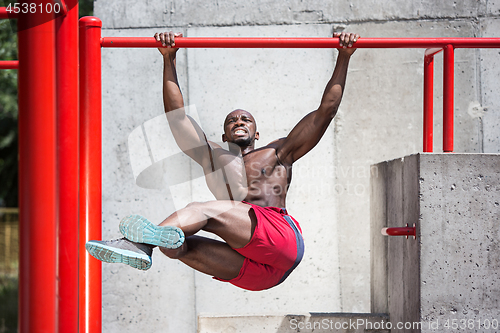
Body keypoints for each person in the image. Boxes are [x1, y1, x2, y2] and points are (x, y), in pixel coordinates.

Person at [86, 30, 359, 291]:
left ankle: (135, 243)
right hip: (259, 274)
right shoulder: (212, 157)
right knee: (177, 245)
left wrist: (344, 56)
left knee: (200, 209)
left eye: (245, 119)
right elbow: (177, 118)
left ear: (257, 132)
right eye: (232, 120)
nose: (238, 121)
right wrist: (168, 58)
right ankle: (146, 246)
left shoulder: (278, 153)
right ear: (223, 133)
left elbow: (326, 111)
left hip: (280, 241)